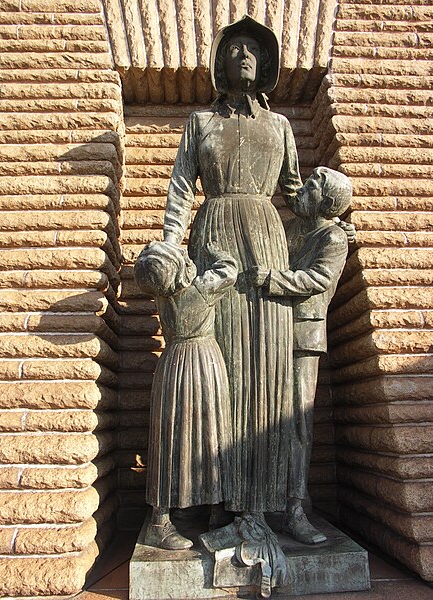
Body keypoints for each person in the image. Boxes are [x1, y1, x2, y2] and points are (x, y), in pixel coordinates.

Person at [163, 15, 303, 516]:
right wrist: (170, 247)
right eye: (234, 48)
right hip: (216, 239)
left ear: (264, 63)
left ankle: (270, 498)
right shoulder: (201, 124)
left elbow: (295, 194)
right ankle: (218, 496)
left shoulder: (281, 125)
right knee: (218, 365)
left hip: (266, 243)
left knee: (268, 369)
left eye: (252, 49)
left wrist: (332, 218)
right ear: (221, 63)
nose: (243, 54)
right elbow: (182, 189)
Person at [248, 167, 352, 543]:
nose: (301, 190)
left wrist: (270, 279)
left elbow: (318, 280)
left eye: (310, 187)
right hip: (271, 329)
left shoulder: (333, 236)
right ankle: (253, 505)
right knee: (260, 416)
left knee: (296, 426)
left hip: (302, 336)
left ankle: (295, 510)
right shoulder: (292, 228)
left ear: (325, 200)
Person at [134, 241, 238, 550]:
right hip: (204, 364)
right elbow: (229, 272)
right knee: (212, 436)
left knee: (171, 441)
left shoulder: (161, 294)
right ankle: (212, 512)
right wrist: (218, 251)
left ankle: (166, 516)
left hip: (172, 365)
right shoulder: (202, 287)